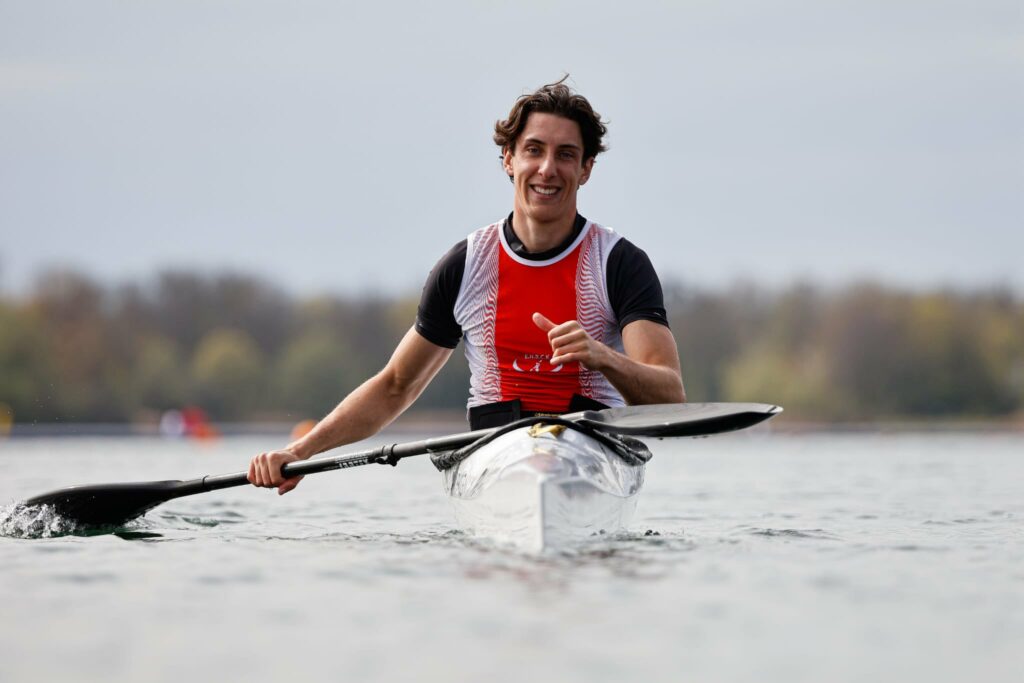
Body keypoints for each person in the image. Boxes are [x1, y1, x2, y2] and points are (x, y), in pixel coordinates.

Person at [249, 78, 685, 494]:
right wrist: (298, 451)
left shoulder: (619, 263)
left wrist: (604, 357)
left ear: (586, 168)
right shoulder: (465, 266)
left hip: (592, 458)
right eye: (534, 150)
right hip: (495, 458)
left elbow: (670, 395)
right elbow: (395, 386)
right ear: (509, 160)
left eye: (566, 154)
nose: (547, 169)